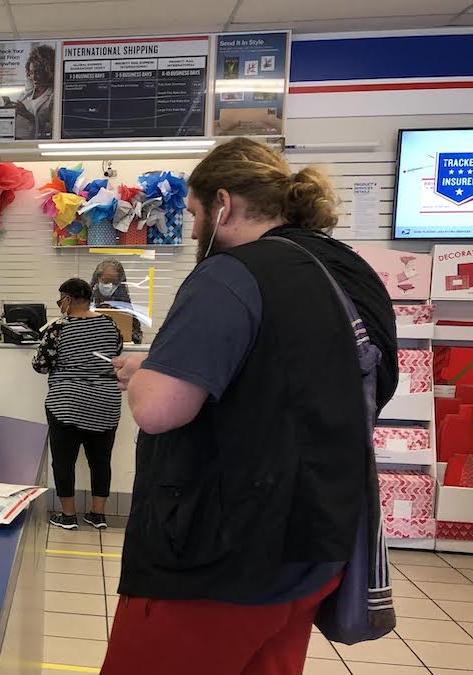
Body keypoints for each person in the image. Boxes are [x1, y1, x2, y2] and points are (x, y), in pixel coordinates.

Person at [102, 138, 397, 675]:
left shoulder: (229, 274)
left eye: (193, 215)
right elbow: (299, 377)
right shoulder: (349, 270)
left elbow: (159, 409)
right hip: (319, 542)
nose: (193, 231)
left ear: (223, 204)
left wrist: (148, 373)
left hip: (221, 558)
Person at [32, 278, 123, 531]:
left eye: (60, 300)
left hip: (67, 403)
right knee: (101, 460)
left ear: (68, 299)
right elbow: (116, 352)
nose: (60, 305)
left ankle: (68, 516)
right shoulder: (109, 324)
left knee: (64, 461)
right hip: (105, 403)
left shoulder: (58, 328)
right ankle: (98, 514)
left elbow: (41, 365)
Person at [4, 44, 55, 140]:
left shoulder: (53, 97)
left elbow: (51, 130)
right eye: (31, 73)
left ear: (48, 72)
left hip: (32, 144)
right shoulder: (27, 93)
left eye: (38, 72)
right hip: (15, 139)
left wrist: (27, 114)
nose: (34, 77)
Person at [90, 260, 143, 344]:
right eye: (106, 281)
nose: (110, 285)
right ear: (97, 279)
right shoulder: (86, 302)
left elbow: (136, 337)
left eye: (114, 282)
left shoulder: (125, 305)